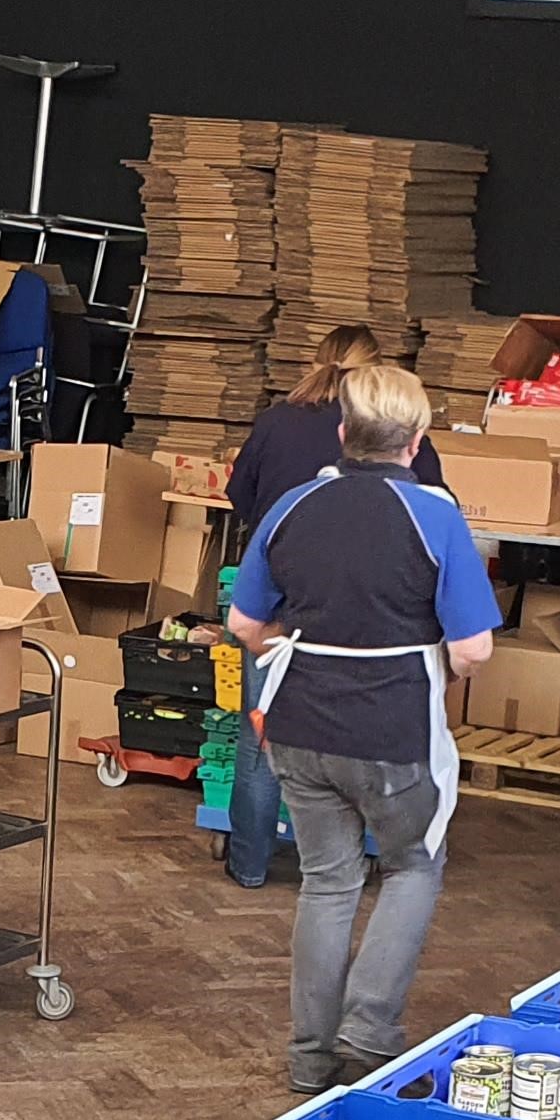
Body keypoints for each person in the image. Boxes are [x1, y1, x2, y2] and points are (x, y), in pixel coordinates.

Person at [227, 359, 499, 1091]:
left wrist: (289, 642)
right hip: (391, 727)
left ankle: (310, 1057)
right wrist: (449, 665)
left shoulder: (290, 507)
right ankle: (371, 1026)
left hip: (298, 724)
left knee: (327, 882)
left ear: (343, 433)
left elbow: (243, 623)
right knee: (413, 865)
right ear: (416, 441)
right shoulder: (437, 515)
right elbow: (473, 649)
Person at [217, 325, 449, 888]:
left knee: (261, 732)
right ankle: (366, 861)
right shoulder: (393, 433)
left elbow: (238, 495)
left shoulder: (276, 421)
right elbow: (436, 503)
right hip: (371, 608)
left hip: (277, 600)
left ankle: (248, 865)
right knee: (365, 740)